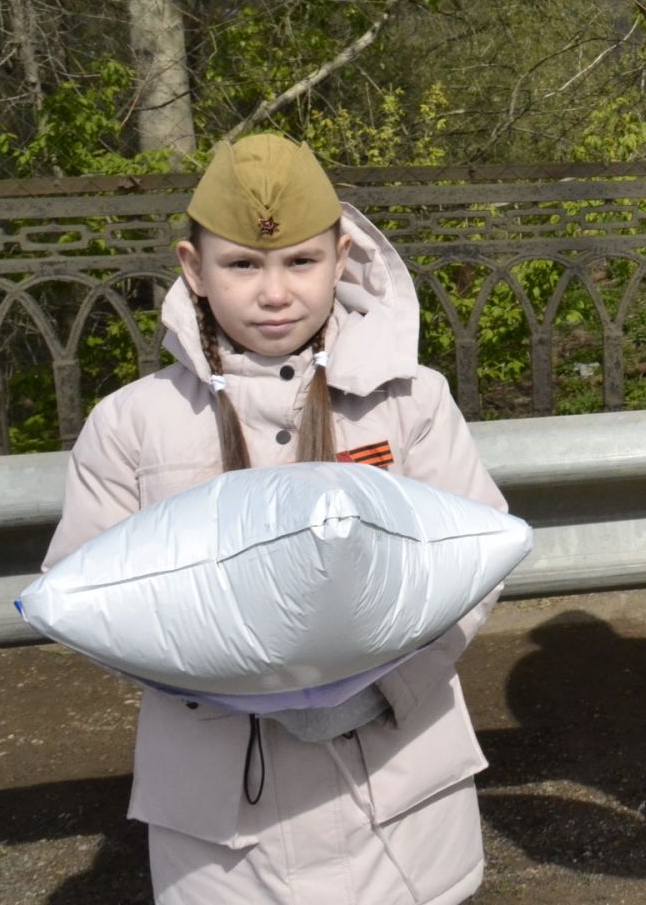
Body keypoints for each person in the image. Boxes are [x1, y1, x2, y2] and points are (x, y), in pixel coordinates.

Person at [43, 134, 506, 905]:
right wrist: (218, 686)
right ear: (193, 267)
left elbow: (475, 561)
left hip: (399, 802)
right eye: (242, 265)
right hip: (222, 836)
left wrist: (389, 689)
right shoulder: (132, 423)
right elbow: (83, 593)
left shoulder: (410, 399)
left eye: (300, 262)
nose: (275, 292)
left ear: (341, 254)